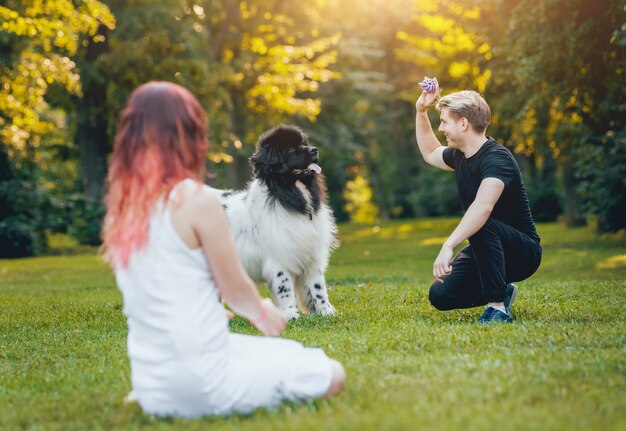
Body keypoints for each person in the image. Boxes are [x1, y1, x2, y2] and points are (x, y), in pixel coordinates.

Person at [101, 81, 345, 418]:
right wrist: (263, 313)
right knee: (331, 372)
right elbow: (235, 287)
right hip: (203, 381)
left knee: (265, 354)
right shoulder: (197, 201)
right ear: (189, 134)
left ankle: (160, 397)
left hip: (151, 381)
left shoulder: (124, 210)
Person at [414, 80, 542, 324]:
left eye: (444, 122)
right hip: (487, 247)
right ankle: (502, 291)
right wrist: (421, 111)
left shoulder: (497, 159)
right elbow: (430, 152)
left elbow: (482, 208)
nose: (441, 128)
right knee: (440, 295)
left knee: (481, 221)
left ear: (463, 123)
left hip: (522, 251)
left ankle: (498, 309)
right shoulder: (460, 156)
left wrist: (449, 244)